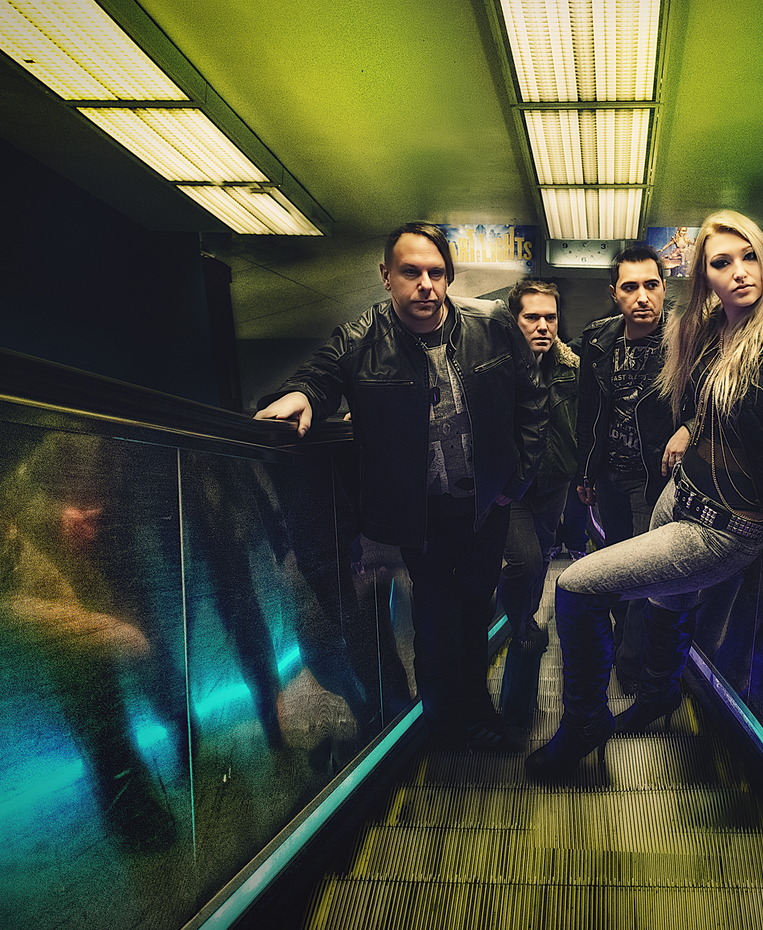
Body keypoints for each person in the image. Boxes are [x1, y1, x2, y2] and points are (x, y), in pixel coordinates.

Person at [526, 210, 763, 779]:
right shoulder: (711, 332)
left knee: (574, 588)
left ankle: (583, 723)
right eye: (723, 262)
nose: (740, 271)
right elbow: (707, 403)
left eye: (750, 257)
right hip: (679, 493)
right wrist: (688, 427)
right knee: (666, 605)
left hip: (723, 526)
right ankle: (658, 695)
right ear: (705, 277)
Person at [256, 223, 547, 753]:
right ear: (386, 276)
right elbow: (321, 375)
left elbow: (532, 399)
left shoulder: (492, 325)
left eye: (436, 273)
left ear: (449, 276)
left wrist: (516, 481)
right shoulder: (361, 338)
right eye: (411, 272)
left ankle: (474, 704)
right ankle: (444, 721)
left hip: (487, 505)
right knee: (435, 620)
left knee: (476, 609)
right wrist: (302, 395)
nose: (425, 285)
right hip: (421, 516)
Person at [572, 243, 677, 690]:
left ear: (664, 287)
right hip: (609, 476)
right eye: (630, 287)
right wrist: (585, 473)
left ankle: (631, 667)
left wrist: (688, 428)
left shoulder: (682, 339)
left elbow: (705, 401)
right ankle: (621, 643)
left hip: (651, 478)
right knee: (614, 560)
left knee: (641, 571)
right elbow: (588, 411)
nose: (642, 297)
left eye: (651, 285)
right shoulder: (598, 340)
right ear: (614, 293)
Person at [496, 279, 579, 729]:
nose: (543, 326)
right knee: (524, 562)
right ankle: (521, 626)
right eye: (532, 317)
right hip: (512, 490)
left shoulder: (572, 369)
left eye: (550, 317)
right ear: (514, 320)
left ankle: (525, 625)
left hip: (553, 485)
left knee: (542, 558)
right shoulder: (496, 365)